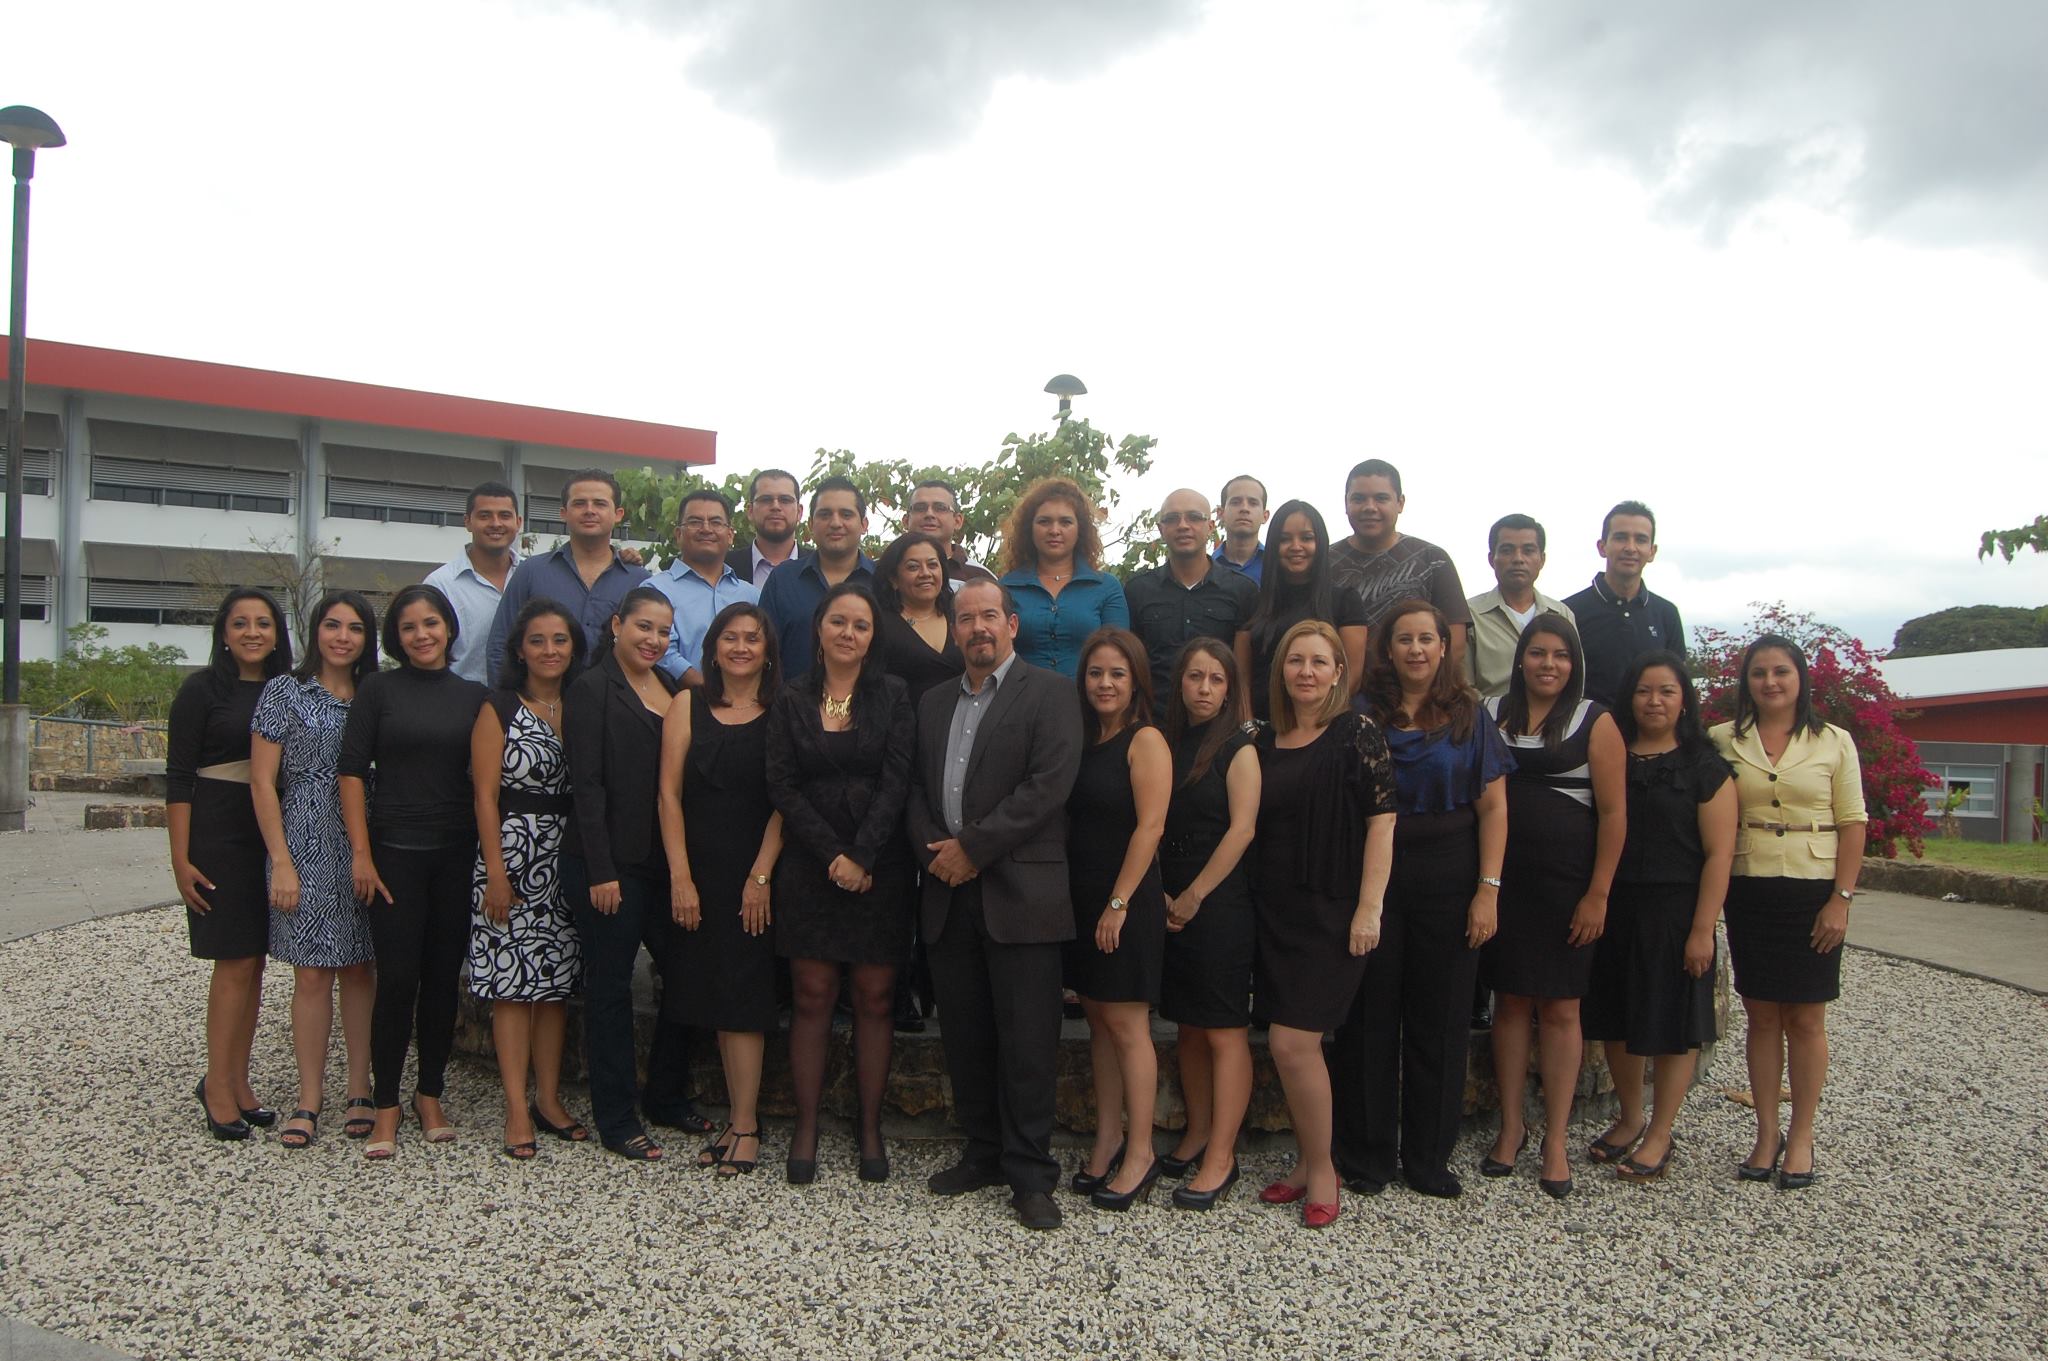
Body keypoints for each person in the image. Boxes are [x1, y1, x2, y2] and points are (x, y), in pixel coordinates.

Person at [910, 578, 1085, 1231]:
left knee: (1029, 1041)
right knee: (966, 1035)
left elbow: (1047, 788)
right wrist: (936, 855)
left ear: (1013, 624)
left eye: (990, 615)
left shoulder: (1052, 693)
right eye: (966, 618)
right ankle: (981, 1153)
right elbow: (914, 791)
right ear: (954, 629)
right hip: (948, 892)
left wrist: (972, 849)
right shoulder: (932, 701)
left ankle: (1031, 1173)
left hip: (1022, 893)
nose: (978, 627)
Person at [1337, 600, 1511, 1199]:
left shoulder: (1469, 716)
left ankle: (1429, 1158)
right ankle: (1367, 1155)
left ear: (1444, 647)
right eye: (1404, 639)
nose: (1416, 649)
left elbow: (1494, 808)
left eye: (1426, 639)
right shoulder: (1361, 713)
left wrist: (1487, 890)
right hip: (1375, 875)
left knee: (1441, 1018)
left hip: (1450, 873)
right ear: (1387, 650)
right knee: (1370, 1017)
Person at [765, 582, 916, 1184]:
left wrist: (861, 854)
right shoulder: (791, 697)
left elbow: (897, 781)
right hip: (811, 862)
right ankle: (806, 1126)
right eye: (838, 622)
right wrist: (833, 854)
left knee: (875, 997)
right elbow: (781, 784)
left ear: (873, 637)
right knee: (812, 994)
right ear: (819, 629)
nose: (848, 633)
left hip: (880, 863)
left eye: (861, 624)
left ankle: (869, 1127)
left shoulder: (894, 694)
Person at [1249, 620, 1398, 1227]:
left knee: (1293, 1043)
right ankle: (1308, 1162)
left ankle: (1322, 1171)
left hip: (1331, 912)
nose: (1305, 672)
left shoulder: (1357, 733)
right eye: (1295, 661)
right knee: (1288, 1048)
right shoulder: (1262, 738)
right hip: (1273, 911)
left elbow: (1382, 824)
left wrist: (1369, 907)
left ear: (1339, 671)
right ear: (1281, 670)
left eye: (1318, 661)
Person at [1710, 634, 1867, 1191]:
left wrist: (1841, 900)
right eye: (1759, 673)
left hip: (1813, 889)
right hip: (1750, 886)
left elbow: (1853, 822)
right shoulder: (1723, 739)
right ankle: (1766, 1132)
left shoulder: (1833, 741)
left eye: (1781, 671)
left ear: (1801, 678)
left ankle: (1802, 1135)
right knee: (1761, 1015)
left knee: (1805, 1018)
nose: (1770, 682)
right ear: (1746, 681)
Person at [338, 584, 489, 1158]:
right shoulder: (378, 690)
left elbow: (485, 782)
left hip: (455, 855)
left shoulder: (474, 697)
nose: (422, 635)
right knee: (397, 981)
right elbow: (352, 771)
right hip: (393, 854)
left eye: (431, 623)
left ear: (448, 628)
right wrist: (361, 853)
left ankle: (430, 1094)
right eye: (409, 627)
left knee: (442, 980)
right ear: (395, 638)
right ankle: (386, 1105)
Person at [1478, 613, 1624, 1198]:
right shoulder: (1491, 712)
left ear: (1574, 663)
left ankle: (1556, 1138)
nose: (1548, 664)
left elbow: (1613, 815)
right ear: (1521, 659)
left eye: (1560, 655)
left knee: (1562, 1009)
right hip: (1503, 883)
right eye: (1538, 653)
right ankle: (1511, 1126)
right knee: (1510, 1004)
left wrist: (1598, 894)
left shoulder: (1596, 720)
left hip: (1567, 887)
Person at [1582, 652, 1735, 1183]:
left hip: (1676, 910)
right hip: (1614, 902)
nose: (1654, 701)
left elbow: (1719, 854)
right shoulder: (1609, 754)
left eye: (1667, 691)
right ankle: (1630, 1117)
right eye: (1644, 691)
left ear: (1684, 700)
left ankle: (1661, 1131)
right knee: (1615, 1018)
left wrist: (1703, 930)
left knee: (1674, 1023)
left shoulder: (1705, 767)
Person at [657, 601, 786, 1178]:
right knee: (715, 996)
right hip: (699, 873)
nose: (740, 647)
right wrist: (680, 877)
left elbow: (787, 799)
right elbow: (668, 795)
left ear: (767, 650)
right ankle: (736, 1122)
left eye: (752, 638)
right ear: (711, 648)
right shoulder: (686, 705)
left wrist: (760, 876)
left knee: (744, 1000)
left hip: (758, 874)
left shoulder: (783, 710)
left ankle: (748, 1125)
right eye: (729, 637)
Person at [249, 591, 378, 1149]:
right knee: (311, 972)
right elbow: (262, 782)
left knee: (360, 967)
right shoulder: (286, 691)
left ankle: (359, 1088)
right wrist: (281, 860)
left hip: (369, 838)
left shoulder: (377, 693)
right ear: (315, 631)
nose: (343, 637)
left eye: (355, 628)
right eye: (332, 625)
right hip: (304, 837)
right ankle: (308, 1097)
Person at [169, 587, 295, 1140]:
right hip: (219, 829)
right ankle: (216, 1084)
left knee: (256, 962)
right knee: (234, 962)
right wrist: (180, 858)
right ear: (223, 632)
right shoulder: (201, 690)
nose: (252, 632)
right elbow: (178, 777)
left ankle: (238, 1079)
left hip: (273, 825)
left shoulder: (286, 689)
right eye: (240, 623)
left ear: (277, 633)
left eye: (263, 623)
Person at [562, 586, 683, 1160]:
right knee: (609, 989)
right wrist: (601, 870)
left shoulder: (671, 687)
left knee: (685, 973)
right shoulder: (591, 689)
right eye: (644, 627)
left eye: (663, 631)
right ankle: (615, 1117)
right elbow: (585, 786)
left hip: (663, 861)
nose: (653, 640)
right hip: (609, 866)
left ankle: (665, 1096)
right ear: (617, 625)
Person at [469, 599, 589, 1159]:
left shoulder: (583, 703)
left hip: (569, 855)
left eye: (560, 640)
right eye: (537, 640)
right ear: (520, 649)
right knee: (512, 986)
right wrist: (496, 872)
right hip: (512, 855)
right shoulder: (497, 707)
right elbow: (484, 796)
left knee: (555, 986)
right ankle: (516, 1106)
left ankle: (549, 1098)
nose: (549, 650)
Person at [1063, 628, 1172, 1211]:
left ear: (1136, 683)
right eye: (1095, 673)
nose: (1104, 684)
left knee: (1128, 1027)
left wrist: (1118, 903)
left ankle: (1142, 1152)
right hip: (1083, 900)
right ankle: (1106, 1140)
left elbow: (1150, 827)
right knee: (1099, 1024)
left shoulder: (1145, 740)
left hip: (1124, 903)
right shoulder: (1085, 739)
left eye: (1117, 674)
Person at [1155, 638, 1261, 1210]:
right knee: (1188, 1028)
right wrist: (1163, 893)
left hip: (1218, 902)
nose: (1204, 688)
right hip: (1168, 897)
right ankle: (1197, 1132)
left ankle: (1222, 1155)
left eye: (1216, 679)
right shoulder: (1166, 742)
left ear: (1229, 690)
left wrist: (1194, 895)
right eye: (1195, 676)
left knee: (1222, 1030)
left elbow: (1242, 830)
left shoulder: (1239, 747)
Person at [485, 468, 650, 685]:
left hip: (616, 702)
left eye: (600, 504)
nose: (589, 511)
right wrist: (506, 702)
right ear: (563, 513)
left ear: (618, 514)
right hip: (542, 701)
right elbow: (500, 645)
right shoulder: (531, 572)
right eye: (579, 503)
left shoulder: (639, 581)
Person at [1123, 489, 1258, 711]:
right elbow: (1131, 665)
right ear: (1161, 529)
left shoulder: (1243, 590)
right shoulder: (1137, 591)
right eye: (1172, 518)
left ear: (1211, 527)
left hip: (1219, 722)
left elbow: (1244, 673)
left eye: (1194, 517)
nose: (1183, 525)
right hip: (1154, 720)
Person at [1330, 460, 1472, 670]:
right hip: (1339, 687)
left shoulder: (1433, 560)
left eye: (1381, 498)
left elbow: (1456, 645)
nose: (1369, 508)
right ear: (1345, 503)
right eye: (1359, 499)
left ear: (1400, 503)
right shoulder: (1324, 563)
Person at [1233, 500, 1368, 721]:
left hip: (1323, 726)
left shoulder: (1345, 601)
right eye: (1285, 539)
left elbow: (1351, 678)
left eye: (1306, 538)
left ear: (1320, 543)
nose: (1296, 546)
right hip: (1262, 729)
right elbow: (1241, 678)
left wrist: (1312, 729)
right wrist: (1249, 728)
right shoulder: (1253, 603)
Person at [995, 477, 1130, 678]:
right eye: (1044, 521)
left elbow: (1119, 656)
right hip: (1021, 696)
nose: (1054, 530)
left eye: (1065, 522)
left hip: (1087, 696)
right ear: (1029, 528)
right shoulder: (1006, 588)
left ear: (1080, 529)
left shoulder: (1106, 587)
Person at [1563, 501, 1686, 707]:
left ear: (1652, 551)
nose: (1630, 548)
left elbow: (1676, 685)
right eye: (1621, 538)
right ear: (1602, 547)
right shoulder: (1568, 611)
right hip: (1585, 726)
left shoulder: (1666, 614)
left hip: (1648, 726)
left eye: (1640, 540)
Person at [759, 475, 875, 682]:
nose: (835, 523)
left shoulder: (883, 581)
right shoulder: (783, 580)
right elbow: (764, 652)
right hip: (789, 701)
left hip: (870, 700)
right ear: (811, 524)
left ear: (864, 524)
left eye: (846, 514)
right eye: (825, 514)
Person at [649, 487, 760, 684]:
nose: (706, 529)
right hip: (674, 699)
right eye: (695, 522)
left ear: (730, 535)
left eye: (716, 522)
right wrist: (708, 690)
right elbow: (661, 650)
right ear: (678, 534)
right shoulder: (655, 590)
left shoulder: (751, 595)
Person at [1466, 514, 1575, 700]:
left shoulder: (1561, 614)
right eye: (1507, 550)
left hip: (1555, 717)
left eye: (1528, 550)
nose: (1518, 559)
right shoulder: (1470, 614)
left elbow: (1575, 679)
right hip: (1488, 716)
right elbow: (1463, 686)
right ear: (1491, 559)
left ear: (1542, 559)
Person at [425, 481, 523, 684]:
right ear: (467, 522)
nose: (496, 523)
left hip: (524, 699)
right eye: (485, 516)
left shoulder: (533, 575)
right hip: (459, 699)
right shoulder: (440, 585)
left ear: (518, 522)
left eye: (505, 516)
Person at [873, 532, 965, 707]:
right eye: (913, 567)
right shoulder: (878, 625)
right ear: (894, 579)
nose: (925, 573)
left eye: (932, 565)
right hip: (901, 721)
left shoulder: (959, 615)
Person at [904, 478, 995, 583]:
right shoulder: (888, 569)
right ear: (906, 521)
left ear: (957, 521)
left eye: (940, 508)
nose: (929, 514)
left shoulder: (981, 577)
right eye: (920, 508)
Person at [727, 468, 807, 587]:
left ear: (799, 512)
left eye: (785, 500)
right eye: (765, 500)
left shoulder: (821, 566)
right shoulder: (724, 567)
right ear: (750, 511)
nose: (775, 506)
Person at [1213, 474, 1270, 585]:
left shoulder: (1277, 567)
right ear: (1220, 513)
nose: (1244, 508)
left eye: (1253, 503)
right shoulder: (1204, 569)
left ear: (1265, 516)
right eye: (1235, 502)